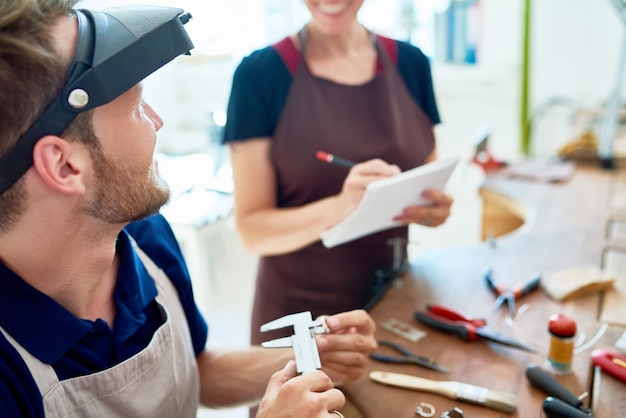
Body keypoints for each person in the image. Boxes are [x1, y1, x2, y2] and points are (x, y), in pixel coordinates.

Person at [0, 1, 377, 417]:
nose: (156, 121)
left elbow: (199, 372)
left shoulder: (143, 237)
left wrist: (315, 352)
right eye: (136, 106)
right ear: (65, 164)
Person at [223, 0, 454, 346]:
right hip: (301, 321)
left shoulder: (412, 64)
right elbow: (252, 229)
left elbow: (423, 182)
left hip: (392, 305)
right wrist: (340, 206)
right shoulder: (260, 75)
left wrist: (432, 210)